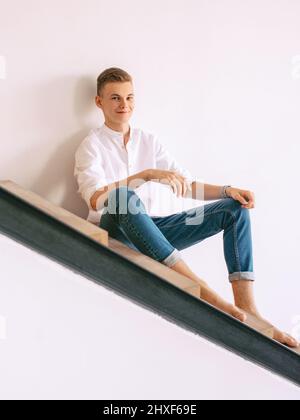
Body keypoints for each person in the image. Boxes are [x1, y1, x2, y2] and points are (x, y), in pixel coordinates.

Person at [74, 67, 299, 349]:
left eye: (130, 98)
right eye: (116, 98)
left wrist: (228, 190)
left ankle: (247, 306)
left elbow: (187, 184)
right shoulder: (91, 146)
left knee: (233, 209)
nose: (124, 105)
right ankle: (201, 288)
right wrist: (146, 175)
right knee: (122, 196)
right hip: (116, 232)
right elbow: (95, 199)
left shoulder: (148, 140)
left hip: (155, 231)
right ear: (99, 102)